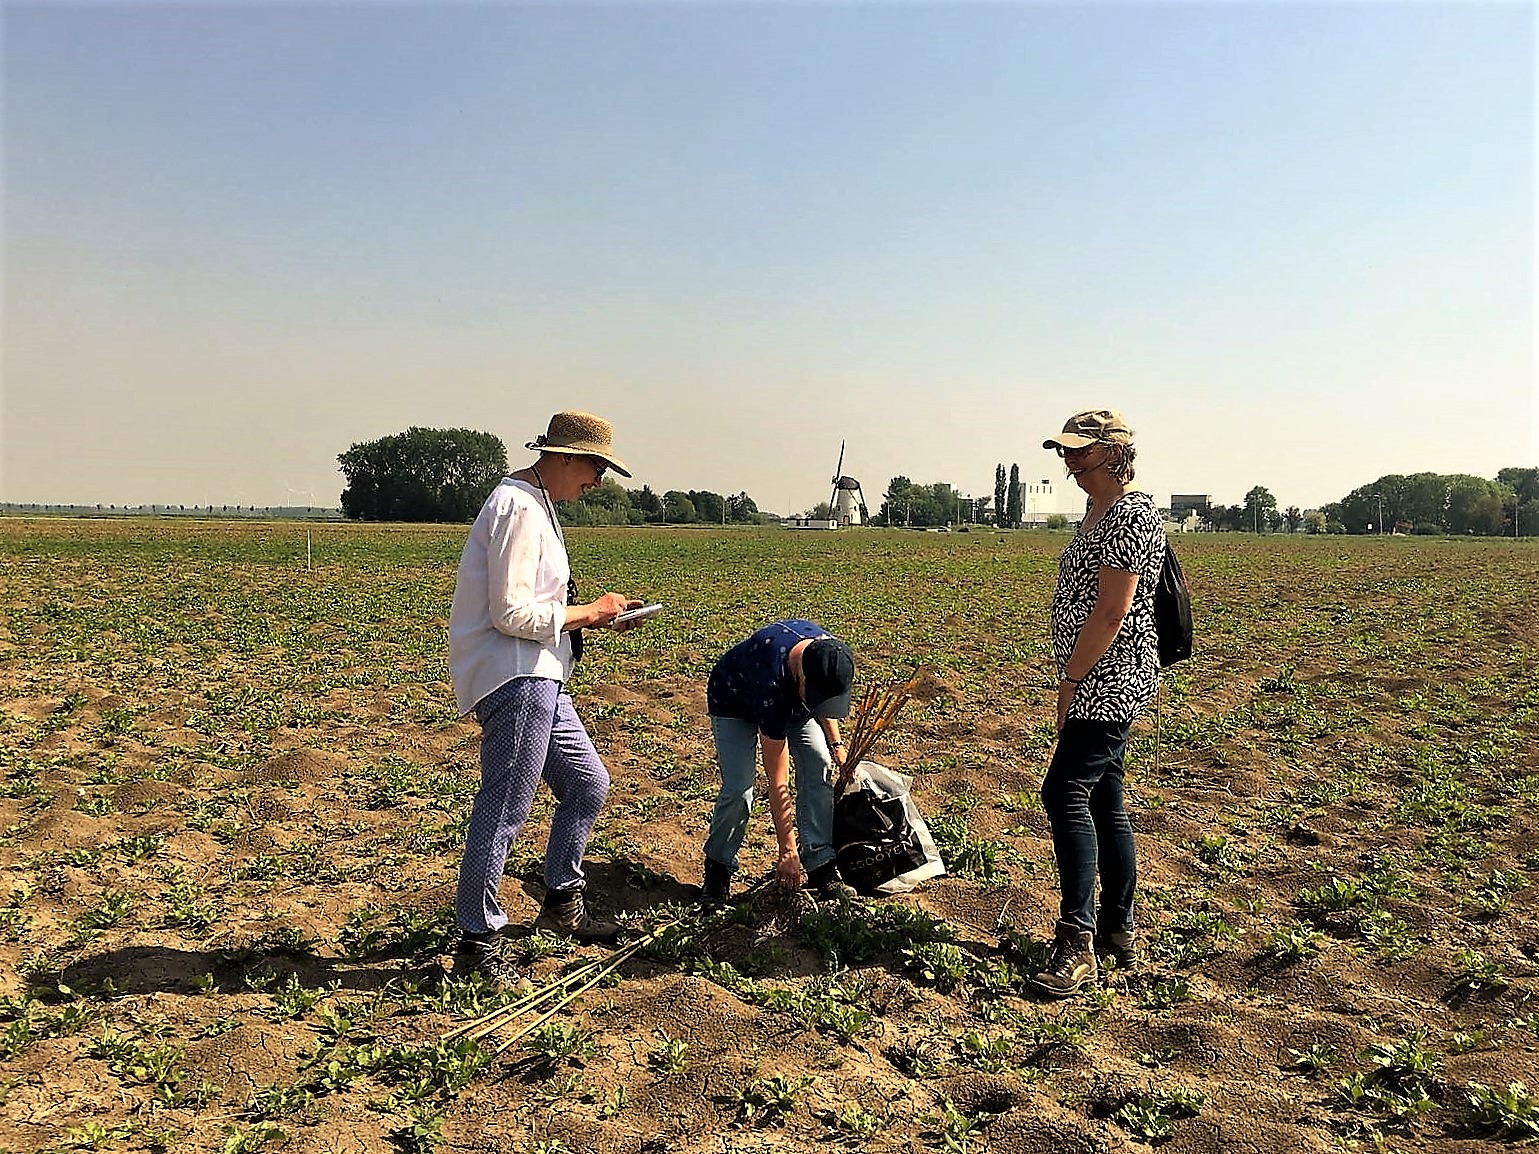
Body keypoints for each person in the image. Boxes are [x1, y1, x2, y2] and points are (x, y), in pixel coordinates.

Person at [447, 410, 645, 982]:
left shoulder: (538, 505)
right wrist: (591, 612)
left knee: (587, 783)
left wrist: (596, 619)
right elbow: (509, 613)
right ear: (561, 456)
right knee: (507, 803)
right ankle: (478, 941)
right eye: (594, 466)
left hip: (542, 672)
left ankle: (561, 901)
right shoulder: (516, 506)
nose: (598, 481)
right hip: (517, 675)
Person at [1031, 409, 1166, 997]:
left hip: (1109, 678)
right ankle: (1117, 929)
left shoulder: (1132, 515)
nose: (1070, 462)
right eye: (1066, 453)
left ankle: (1077, 938)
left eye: (1080, 452)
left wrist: (1071, 678)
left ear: (1114, 452)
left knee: (1063, 792)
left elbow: (1112, 610)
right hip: (1096, 674)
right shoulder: (1097, 513)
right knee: (1105, 799)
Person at [700, 621, 858, 906]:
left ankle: (821, 863)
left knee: (819, 763)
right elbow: (777, 781)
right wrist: (787, 850)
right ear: (802, 679)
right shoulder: (772, 681)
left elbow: (824, 701)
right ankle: (718, 870)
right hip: (733, 702)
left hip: (792, 698)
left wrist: (837, 746)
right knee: (740, 788)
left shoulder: (828, 653)